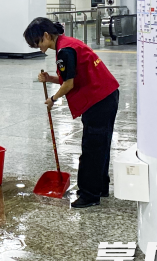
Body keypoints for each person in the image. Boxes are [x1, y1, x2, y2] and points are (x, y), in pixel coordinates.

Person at [24, 17, 120, 209]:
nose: (38, 48)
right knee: (100, 145)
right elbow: (70, 76)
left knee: (92, 149)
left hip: (98, 100)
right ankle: (100, 187)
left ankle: (89, 195)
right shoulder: (67, 44)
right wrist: (51, 78)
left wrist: (53, 99)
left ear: (46, 35)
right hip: (106, 95)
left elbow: (69, 84)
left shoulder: (65, 50)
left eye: (38, 43)